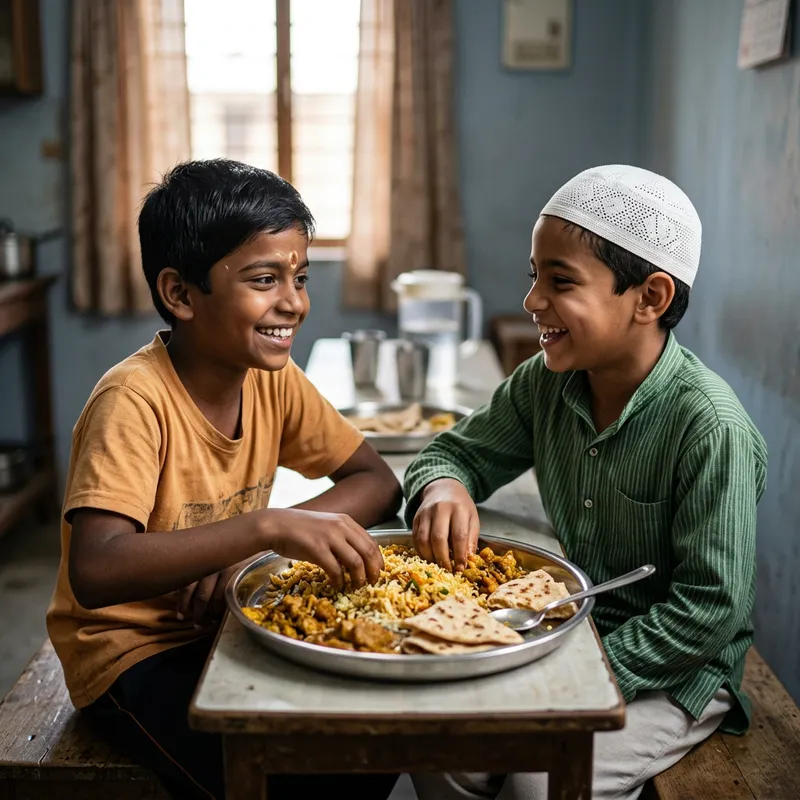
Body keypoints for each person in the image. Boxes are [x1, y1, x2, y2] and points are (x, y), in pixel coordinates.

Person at [404, 165, 767, 800]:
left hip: (674, 667)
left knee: (539, 782)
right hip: (566, 627)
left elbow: (710, 608)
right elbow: (451, 454)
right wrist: (444, 487)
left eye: (561, 281)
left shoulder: (710, 427)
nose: (532, 301)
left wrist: (577, 671)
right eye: (534, 276)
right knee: (445, 748)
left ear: (650, 298)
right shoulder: (545, 382)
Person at [46, 158, 403, 800]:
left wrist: (256, 549)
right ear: (181, 294)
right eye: (264, 279)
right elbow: (96, 572)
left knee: (372, 737)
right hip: (132, 651)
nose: (293, 303)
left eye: (299, 276)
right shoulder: (133, 401)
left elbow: (375, 480)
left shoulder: (272, 380)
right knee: (287, 777)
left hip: (228, 621)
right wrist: (265, 526)